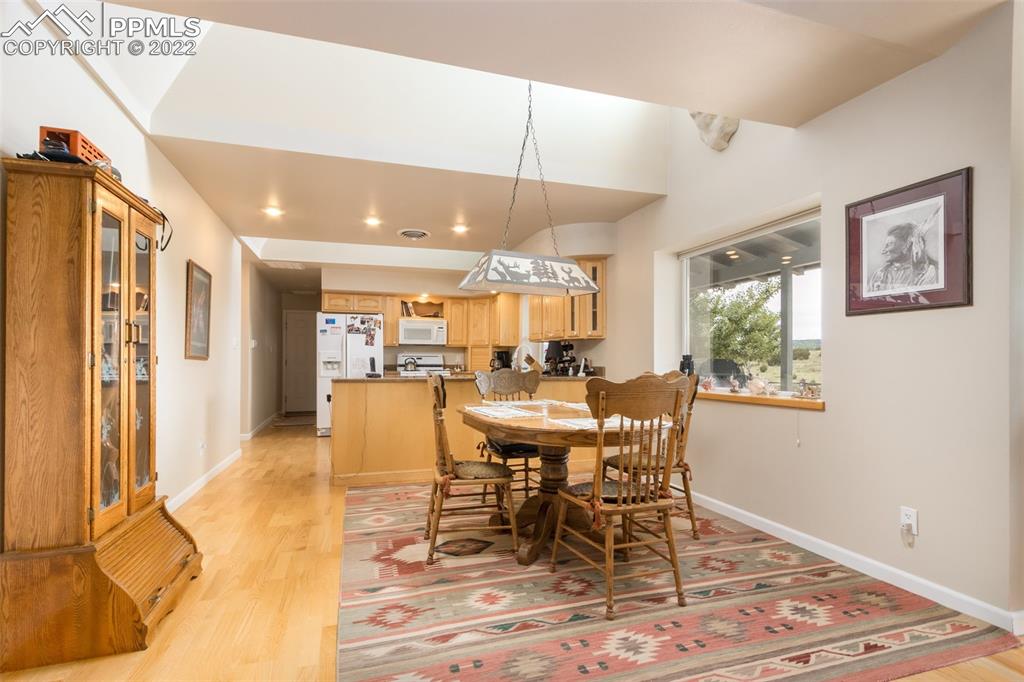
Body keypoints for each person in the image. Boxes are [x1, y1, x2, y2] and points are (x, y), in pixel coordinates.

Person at [867, 222, 939, 293]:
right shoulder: (879, 274)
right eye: (886, 245)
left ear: (907, 245)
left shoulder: (927, 273)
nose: (883, 251)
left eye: (889, 244)